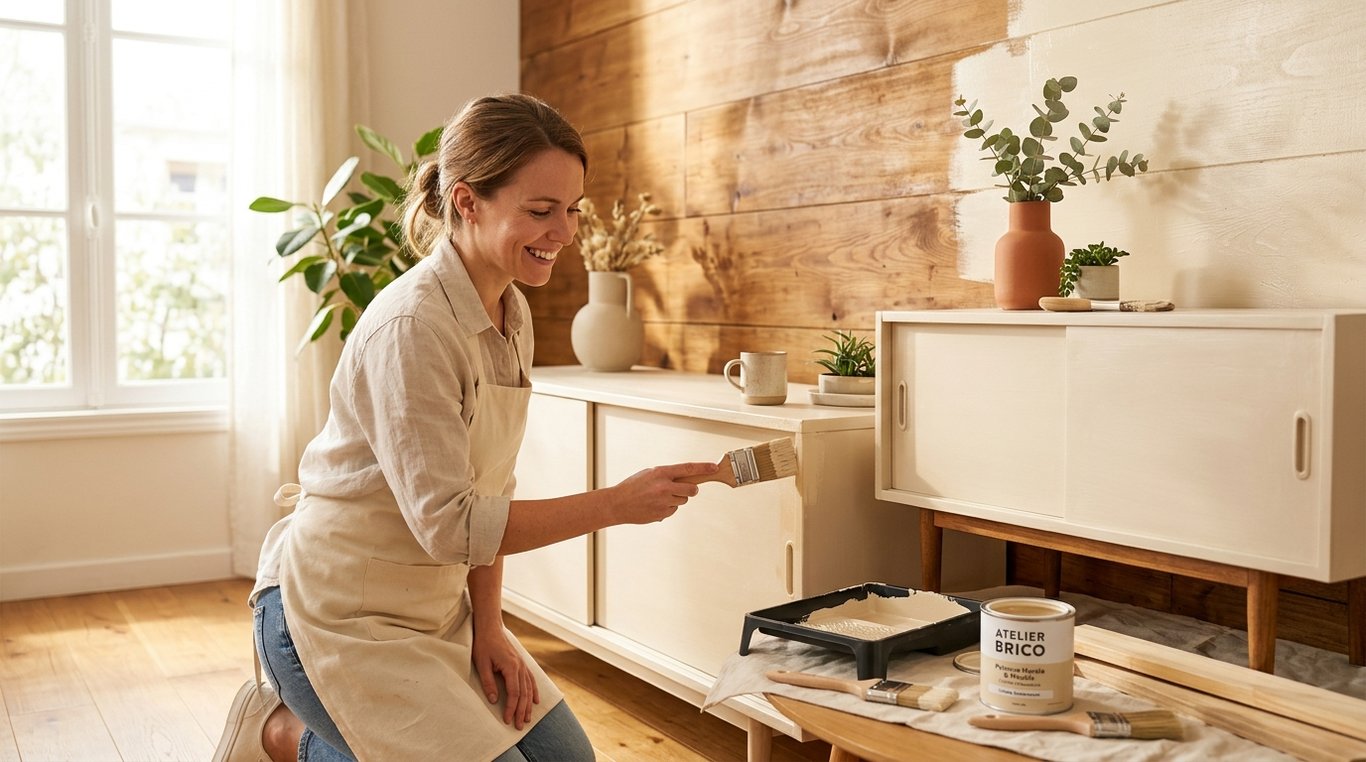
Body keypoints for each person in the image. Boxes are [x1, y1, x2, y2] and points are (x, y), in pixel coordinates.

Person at [213, 93, 718, 762]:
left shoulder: (510, 312)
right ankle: (281, 735)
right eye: (540, 211)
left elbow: (489, 490)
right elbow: (452, 525)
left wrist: (490, 626)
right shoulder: (413, 328)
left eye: (571, 210)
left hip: (433, 609)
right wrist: (615, 505)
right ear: (467, 202)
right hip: (333, 614)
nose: (563, 233)